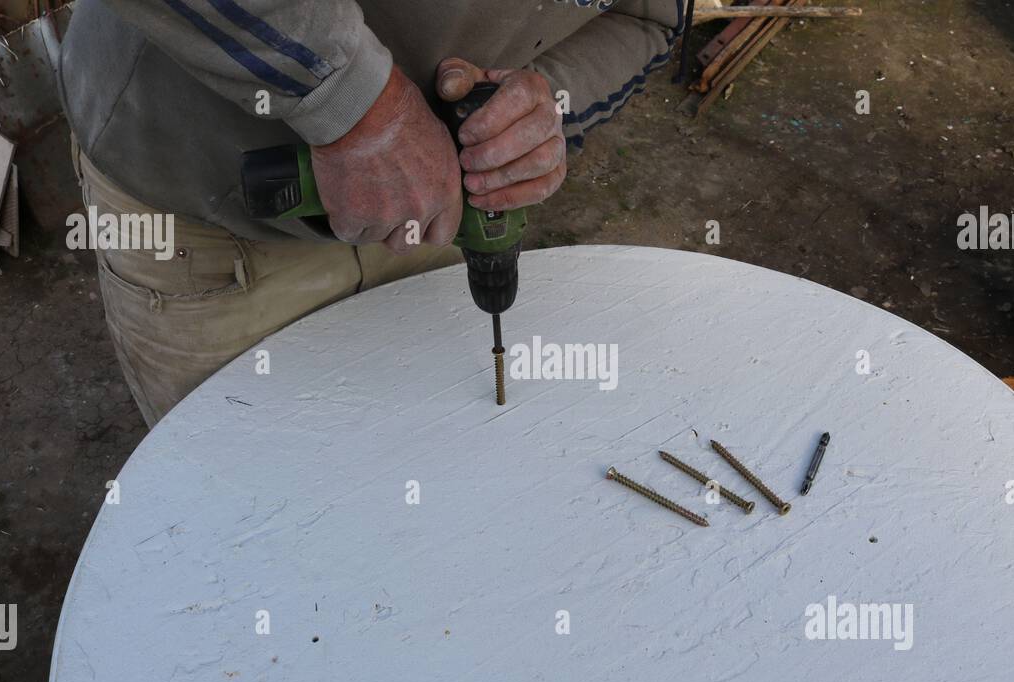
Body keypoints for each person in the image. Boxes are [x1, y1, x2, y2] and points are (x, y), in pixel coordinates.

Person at [59, 0, 683, 426]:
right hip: (209, 203)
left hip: (435, 213)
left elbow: (649, 15)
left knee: (416, 476)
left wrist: (545, 103)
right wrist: (356, 106)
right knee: (239, 507)